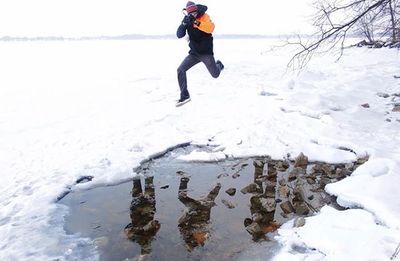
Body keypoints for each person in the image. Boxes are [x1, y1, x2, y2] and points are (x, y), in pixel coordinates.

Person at [176, 1, 224, 106]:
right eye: (191, 13)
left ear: (196, 10)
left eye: (194, 12)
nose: (193, 14)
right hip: (194, 53)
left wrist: (197, 23)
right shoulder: (187, 20)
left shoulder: (204, 16)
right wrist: (184, 24)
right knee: (180, 69)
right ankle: (185, 96)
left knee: (215, 74)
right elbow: (179, 34)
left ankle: (219, 65)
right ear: (188, 13)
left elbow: (210, 28)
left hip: (206, 53)